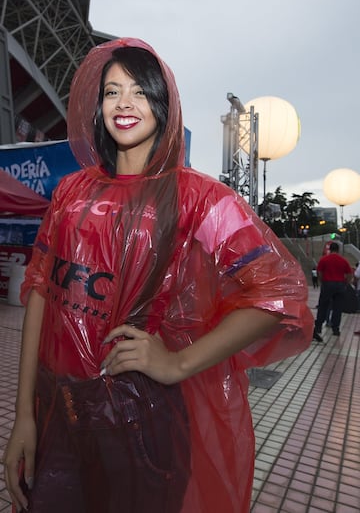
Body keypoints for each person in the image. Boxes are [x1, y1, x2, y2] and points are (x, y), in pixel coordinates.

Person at [3, 38, 313, 513]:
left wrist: (178, 363)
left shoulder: (200, 199)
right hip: (57, 410)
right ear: (96, 105)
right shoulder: (70, 192)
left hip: (141, 421)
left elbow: (279, 293)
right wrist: (24, 415)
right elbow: (41, 293)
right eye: (111, 91)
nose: (124, 103)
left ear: (164, 105)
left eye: (140, 91)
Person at [313, 241, 352, 342]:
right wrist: (346, 283)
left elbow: (319, 272)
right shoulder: (343, 260)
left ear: (329, 249)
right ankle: (336, 329)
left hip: (328, 284)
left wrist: (322, 281)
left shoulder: (324, 259)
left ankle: (318, 327)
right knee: (337, 308)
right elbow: (349, 273)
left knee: (323, 306)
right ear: (338, 250)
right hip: (340, 285)